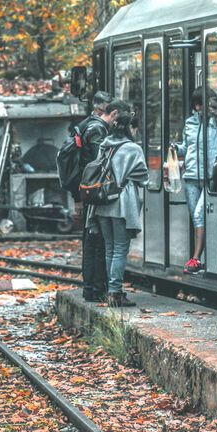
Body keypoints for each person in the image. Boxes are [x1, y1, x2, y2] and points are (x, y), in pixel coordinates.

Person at [89, 100, 149, 307]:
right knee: (120, 249)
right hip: (122, 204)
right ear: (130, 127)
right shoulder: (133, 149)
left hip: (103, 203)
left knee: (109, 248)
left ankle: (111, 290)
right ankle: (115, 292)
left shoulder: (105, 145)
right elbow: (143, 178)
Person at [172, 87, 217, 275]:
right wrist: (176, 148)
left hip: (210, 177)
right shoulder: (190, 123)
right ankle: (203, 258)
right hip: (191, 177)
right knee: (196, 218)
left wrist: (216, 118)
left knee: (201, 215)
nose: (203, 108)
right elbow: (187, 147)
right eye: (201, 105)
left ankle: (196, 258)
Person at [80, 91, 116, 302]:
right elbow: (99, 160)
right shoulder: (96, 129)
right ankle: (94, 289)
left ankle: (91, 287)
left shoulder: (86, 124)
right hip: (94, 189)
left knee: (92, 239)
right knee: (96, 240)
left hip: (88, 189)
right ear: (101, 108)